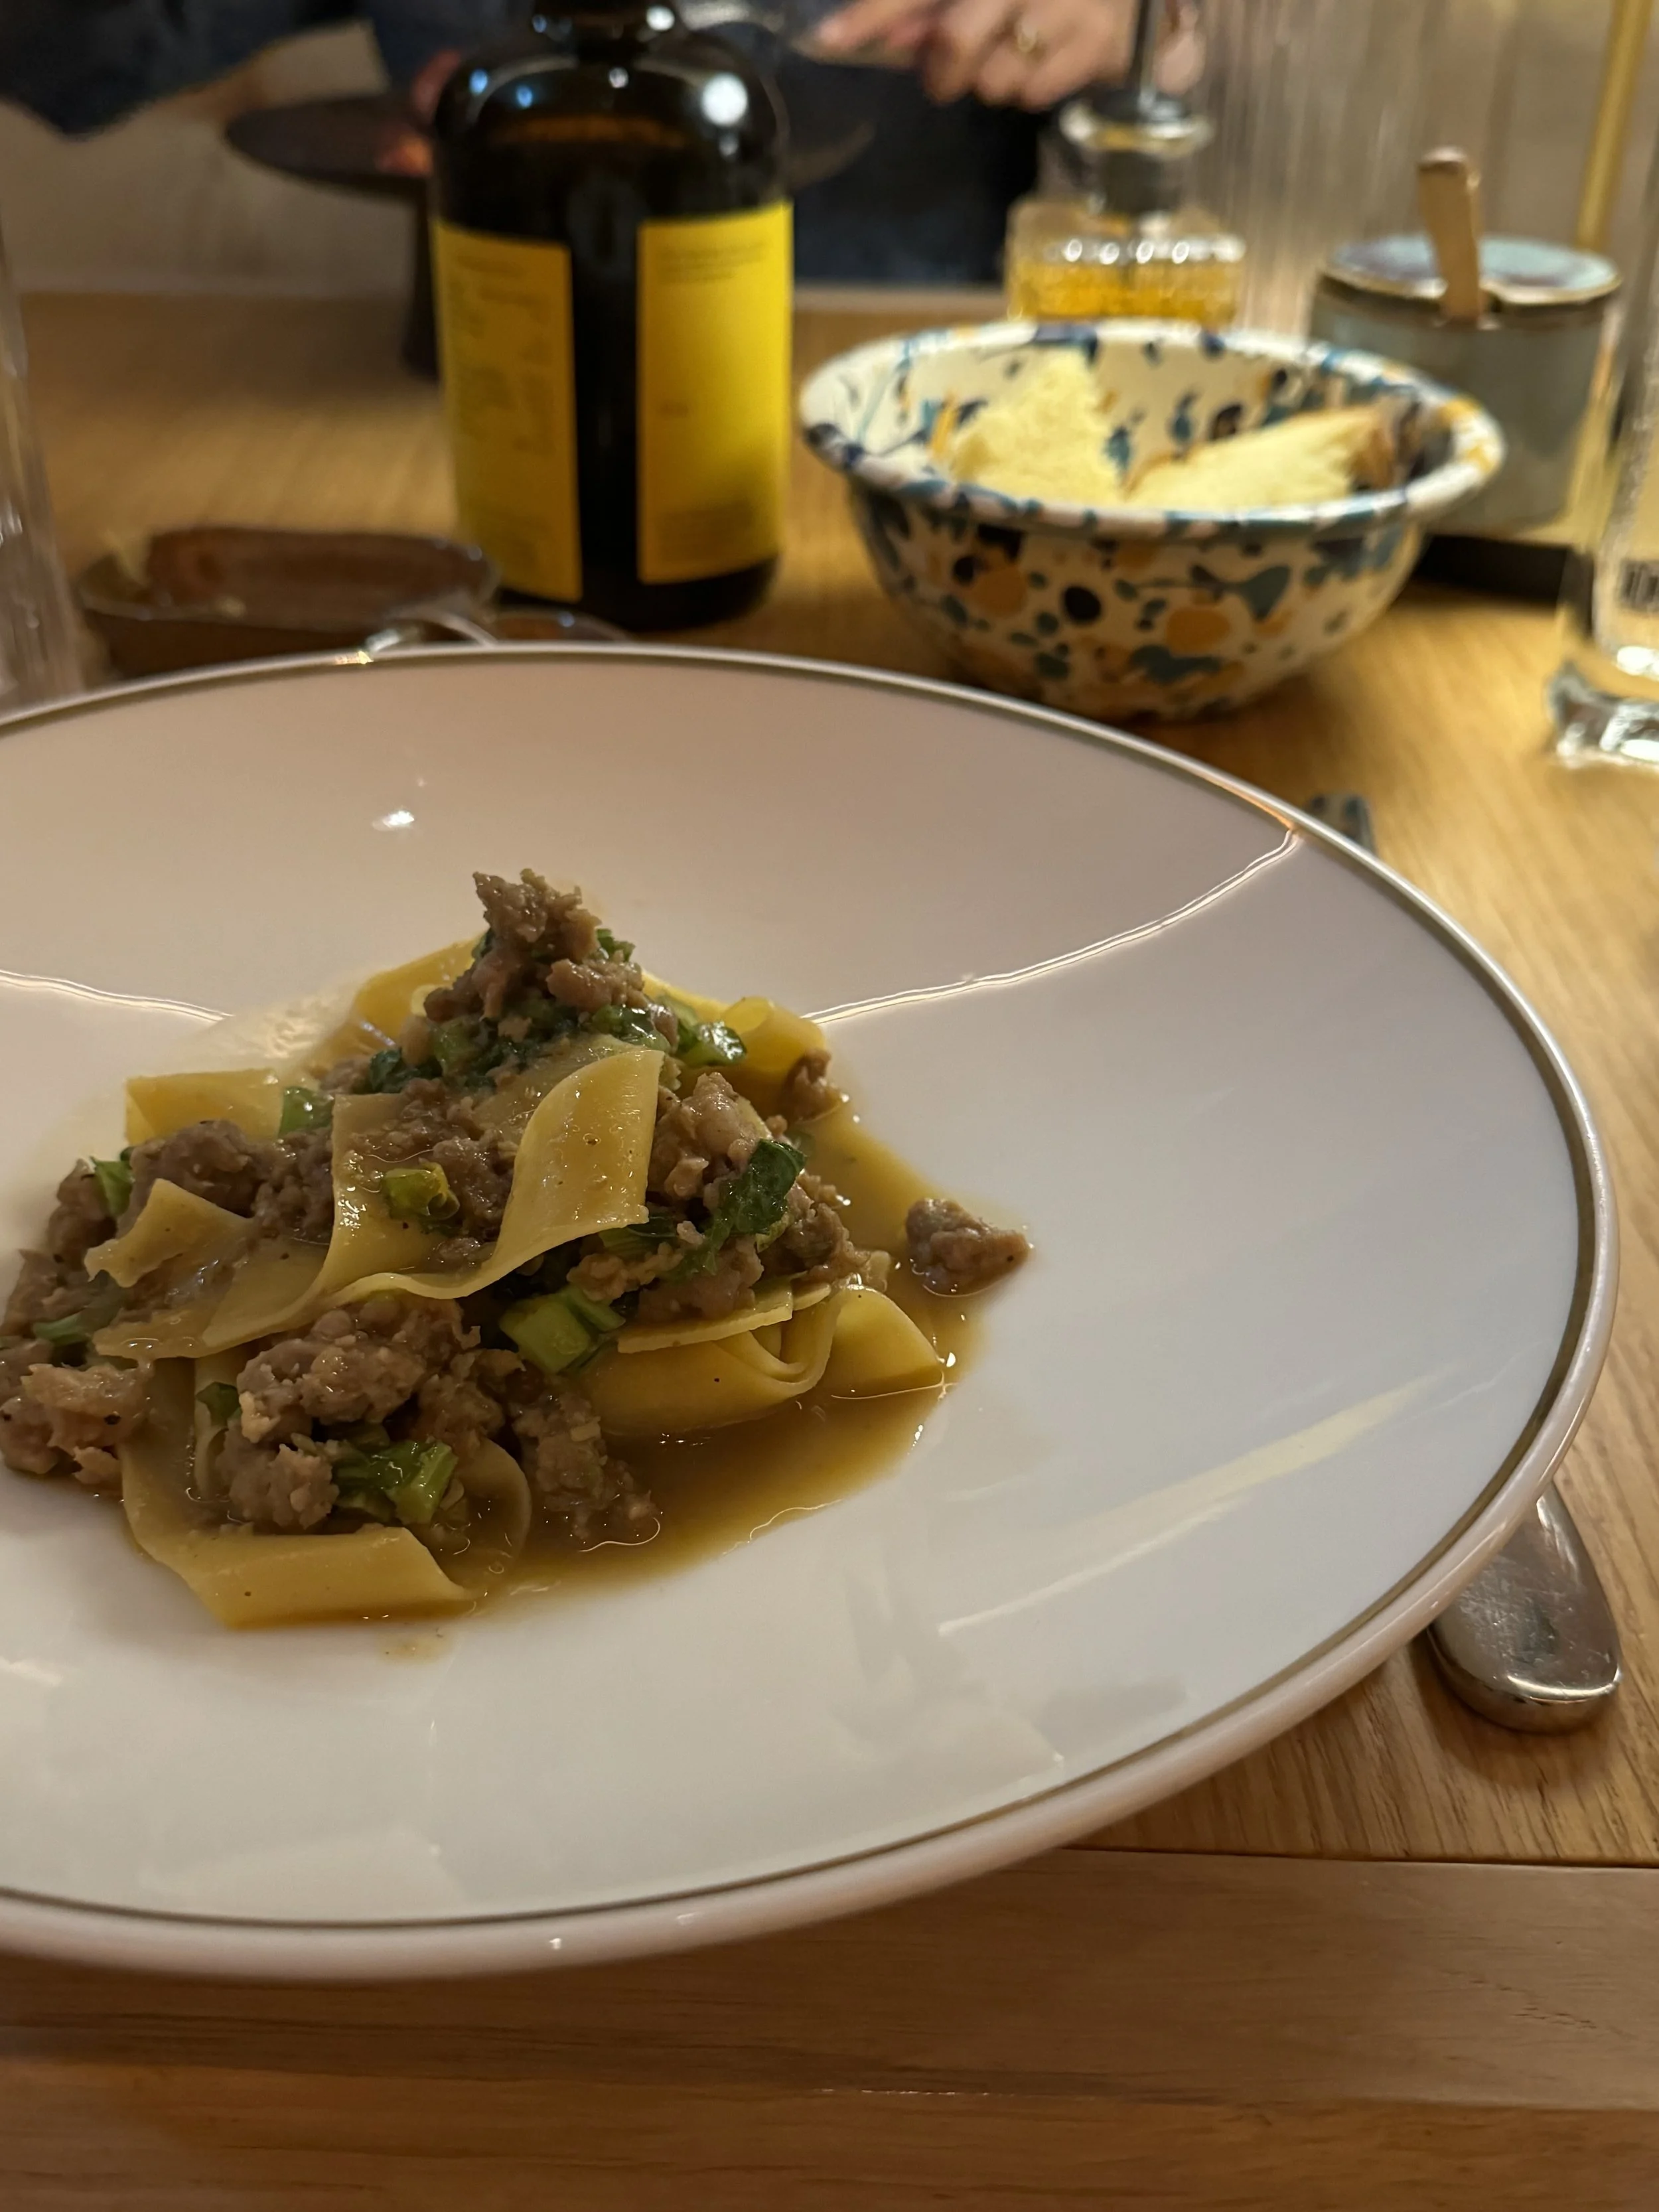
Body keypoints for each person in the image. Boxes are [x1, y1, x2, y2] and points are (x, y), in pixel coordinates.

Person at [0, 0, 1195, 282]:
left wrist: (1152, 17)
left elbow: (1223, 57)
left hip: (870, 350)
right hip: (466, 395)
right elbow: (71, 48)